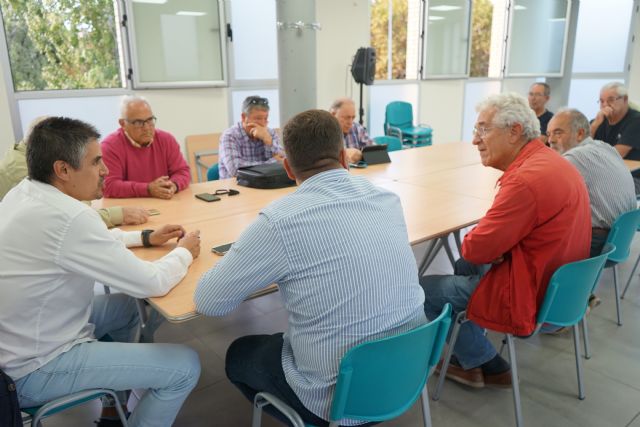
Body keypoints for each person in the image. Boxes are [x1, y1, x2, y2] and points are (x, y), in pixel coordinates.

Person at [194, 110, 426, 425]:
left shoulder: (279, 220)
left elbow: (209, 301)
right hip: (406, 373)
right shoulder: (388, 199)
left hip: (334, 401)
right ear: (344, 157)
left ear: (288, 168)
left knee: (240, 353)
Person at [0, 117, 202, 427]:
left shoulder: (26, 192)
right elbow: (152, 282)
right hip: (32, 369)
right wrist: (184, 252)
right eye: (96, 162)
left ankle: (114, 407)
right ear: (63, 170)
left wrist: (146, 237)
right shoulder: (69, 217)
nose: (105, 170)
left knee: (127, 309)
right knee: (185, 365)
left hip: (22, 338)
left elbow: (84, 241)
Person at [420, 93, 591, 389]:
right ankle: (470, 353)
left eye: (483, 129)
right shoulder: (552, 162)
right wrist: (499, 245)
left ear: (514, 131)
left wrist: (493, 244)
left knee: (423, 287)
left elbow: (475, 247)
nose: (475, 140)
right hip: (557, 285)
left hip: (526, 294)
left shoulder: (525, 180)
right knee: (463, 265)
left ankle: (485, 362)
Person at [0, 127, 148, 227]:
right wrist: (116, 215)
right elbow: (72, 219)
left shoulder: (24, 158)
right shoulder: (24, 172)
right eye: (95, 162)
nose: (105, 170)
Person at [548, 108, 636, 257]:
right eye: (549, 134)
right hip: (621, 241)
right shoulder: (606, 147)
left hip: (597, 245)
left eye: (558, 133)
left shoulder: (573, 158)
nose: (551, 140)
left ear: (580, 133)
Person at [102, 95, 191, 199]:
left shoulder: (166, 140)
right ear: (123, 123)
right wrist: (148, 189)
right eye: (138, 122)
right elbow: (109, 185)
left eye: (150, 120)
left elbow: (183, 172)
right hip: (130, 208)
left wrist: (173, 185)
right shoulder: (110, 146)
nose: (146, 128)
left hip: (164, 202)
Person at [218, 95, 285, 179]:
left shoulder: (269, 133)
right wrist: (273, 162)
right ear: (243, 117)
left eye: (266, 118)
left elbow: (283, 161)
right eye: (258, 118)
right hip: (235, 186)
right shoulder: (230, 136)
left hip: (263, 183)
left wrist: (269, 141)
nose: (263, 123)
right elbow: (235, 170)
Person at [590, 82, 640, 192]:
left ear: (625, 99)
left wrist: (591, 156)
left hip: (632, 177)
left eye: (611, 100)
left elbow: (617, 154)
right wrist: (594, 125)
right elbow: (579, 146)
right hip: (605, 173)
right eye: (602, 101)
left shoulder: (636, 120)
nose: (605, 105)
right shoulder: (599, 121)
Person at [329, 98, 373, 163]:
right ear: (333, 114)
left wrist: (360, 154)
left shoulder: (358, 129)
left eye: (353, 117)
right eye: (347, 117)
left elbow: (374, 152)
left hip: (357, 172)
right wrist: (343, 154)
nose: (350, 122)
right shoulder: (322, 132)